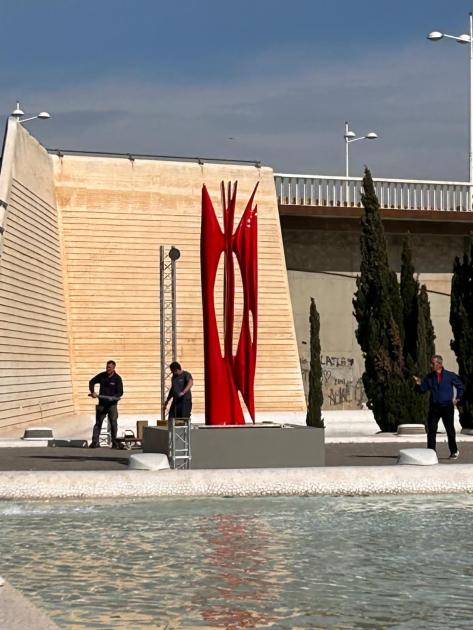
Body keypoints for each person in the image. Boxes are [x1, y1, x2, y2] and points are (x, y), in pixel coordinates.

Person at [414, 355, 464, 459]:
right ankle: (431, 453)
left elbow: (461, 386)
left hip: (447, 407)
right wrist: (419, 384)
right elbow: (422, 390)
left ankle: (454, 451)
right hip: (434, 408)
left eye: (432, 363)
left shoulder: (450, 375)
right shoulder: (429, 377)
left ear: (439, 364)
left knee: (450, 430)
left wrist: (458, 398)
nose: (430, 365)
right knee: (431, 430)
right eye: (431, 363)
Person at [88, 360, 124, 448]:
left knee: (113, 423)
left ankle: (115, 443)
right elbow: (91, 382)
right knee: (98, 423)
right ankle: (95, 443)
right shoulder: (102, 376)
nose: (108, 369)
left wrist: (113, 397)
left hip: (112, 405)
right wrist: (93, 392)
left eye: (110, 367)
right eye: (107, 367)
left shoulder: (117, 378)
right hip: (102, 404)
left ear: (114, 368)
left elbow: (120, 392)